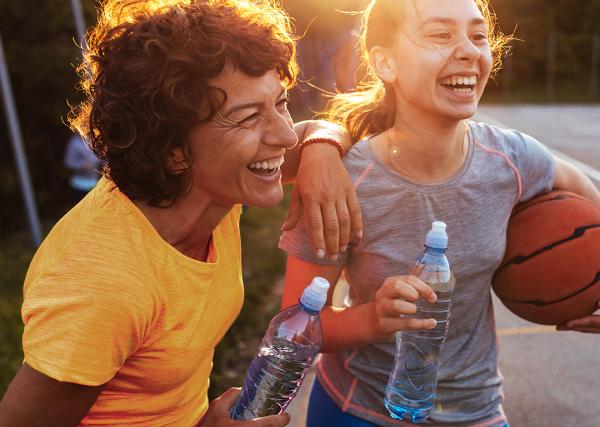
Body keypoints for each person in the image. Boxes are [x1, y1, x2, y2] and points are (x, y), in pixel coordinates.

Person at [0, 0, 362, 425]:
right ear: (174, 152)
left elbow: (315, 131)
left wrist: (322, 147)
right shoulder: (104, 286)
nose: (283, 135)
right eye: (248, 118)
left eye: (280, 103)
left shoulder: (211, 189)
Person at [279, 0, 600, 426]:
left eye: (478, 35)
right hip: (359, 409)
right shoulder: (344, 181)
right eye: (441, 34)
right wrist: (374, 319)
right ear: (385, 62)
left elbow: (589, 206)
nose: (469, 50)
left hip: (476, 410)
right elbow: (296, 326)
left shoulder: (512, 160)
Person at [63, 132, 103, 202]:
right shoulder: (74, 143)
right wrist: (82, 165)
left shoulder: (94, 140)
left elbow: (101, 158)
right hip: (79, 184)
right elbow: (68, 162)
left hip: (94, 183)